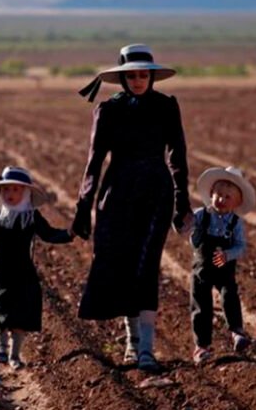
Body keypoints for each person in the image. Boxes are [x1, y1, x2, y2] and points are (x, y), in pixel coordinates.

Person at [72, 43, 192, 372]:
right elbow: (94, 161)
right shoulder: (109, 110)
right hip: (117, 195)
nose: (138, 80)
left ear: (151, 76)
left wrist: (182, 200)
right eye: (132, 76)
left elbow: (177, 156)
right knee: (121, 265)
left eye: (143, 75)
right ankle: (131, 342)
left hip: (155, 194)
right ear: (123, 78)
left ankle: (147, 350)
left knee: (146, 266)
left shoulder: (166, 107)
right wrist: (83, 206)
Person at [0, 166, 74, 369]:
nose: (10, 194)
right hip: (2, 272)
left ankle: (14, 355)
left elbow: (50, 234)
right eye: (6, 189)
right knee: (3, 309)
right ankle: (1, 347)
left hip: (25, 272)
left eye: (16, 189)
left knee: (22, 313)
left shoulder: (32, 218)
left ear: (26, 193)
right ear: (0, 192)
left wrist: (70, 233)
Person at [190, 166, 256, 364]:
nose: (222, 199)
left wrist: (228, 254)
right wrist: (192, 230)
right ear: (211, 193)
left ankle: (237, 332)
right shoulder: (201, 215)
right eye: (218, 194)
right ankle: (201, 347)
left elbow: (241, 246)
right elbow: (190, 235)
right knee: (201, 304)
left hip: (224, 268)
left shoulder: (235, 223)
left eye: (228, 197)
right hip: (202, 268)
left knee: (229, 295)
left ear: (237, 202)